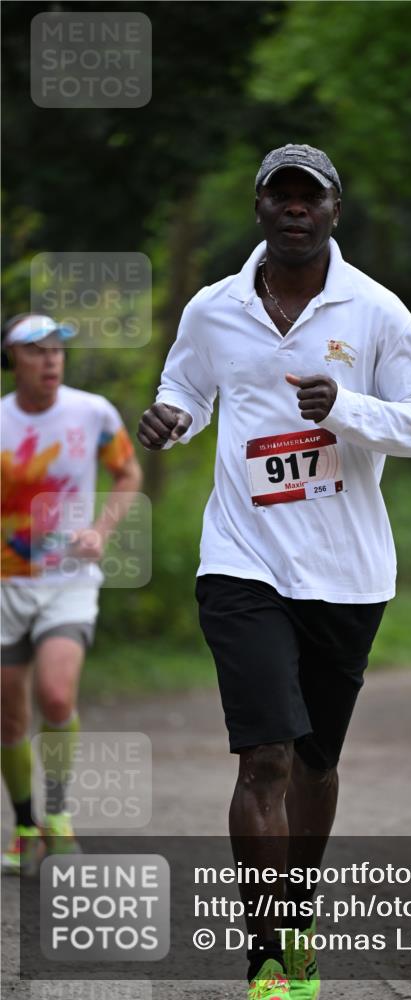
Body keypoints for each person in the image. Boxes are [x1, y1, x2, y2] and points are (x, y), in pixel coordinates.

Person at [137, 143, 411, 1000]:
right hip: (241, 559)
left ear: (334, 210)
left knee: (314, 763)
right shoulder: (212, 309)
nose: (294, 209)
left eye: (308, 197)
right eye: (279, 195)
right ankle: (267, 954)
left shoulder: (376, 312)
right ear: (259, 208)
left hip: (346, 571)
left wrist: (344, 406)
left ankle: (298, 911)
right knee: (263, 759)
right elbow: (188, 390)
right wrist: (172, 418)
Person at [1, 313, 142, 874]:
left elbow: (127, 473)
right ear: (12, 358)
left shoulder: (93, 412)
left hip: (69, 581)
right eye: (36, 351)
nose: (51, 359)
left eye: (57, 349)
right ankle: (24, 825)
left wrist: (101, 530)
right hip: (6, 584)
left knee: (57, 698)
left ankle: (57, 815)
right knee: (8, 717)